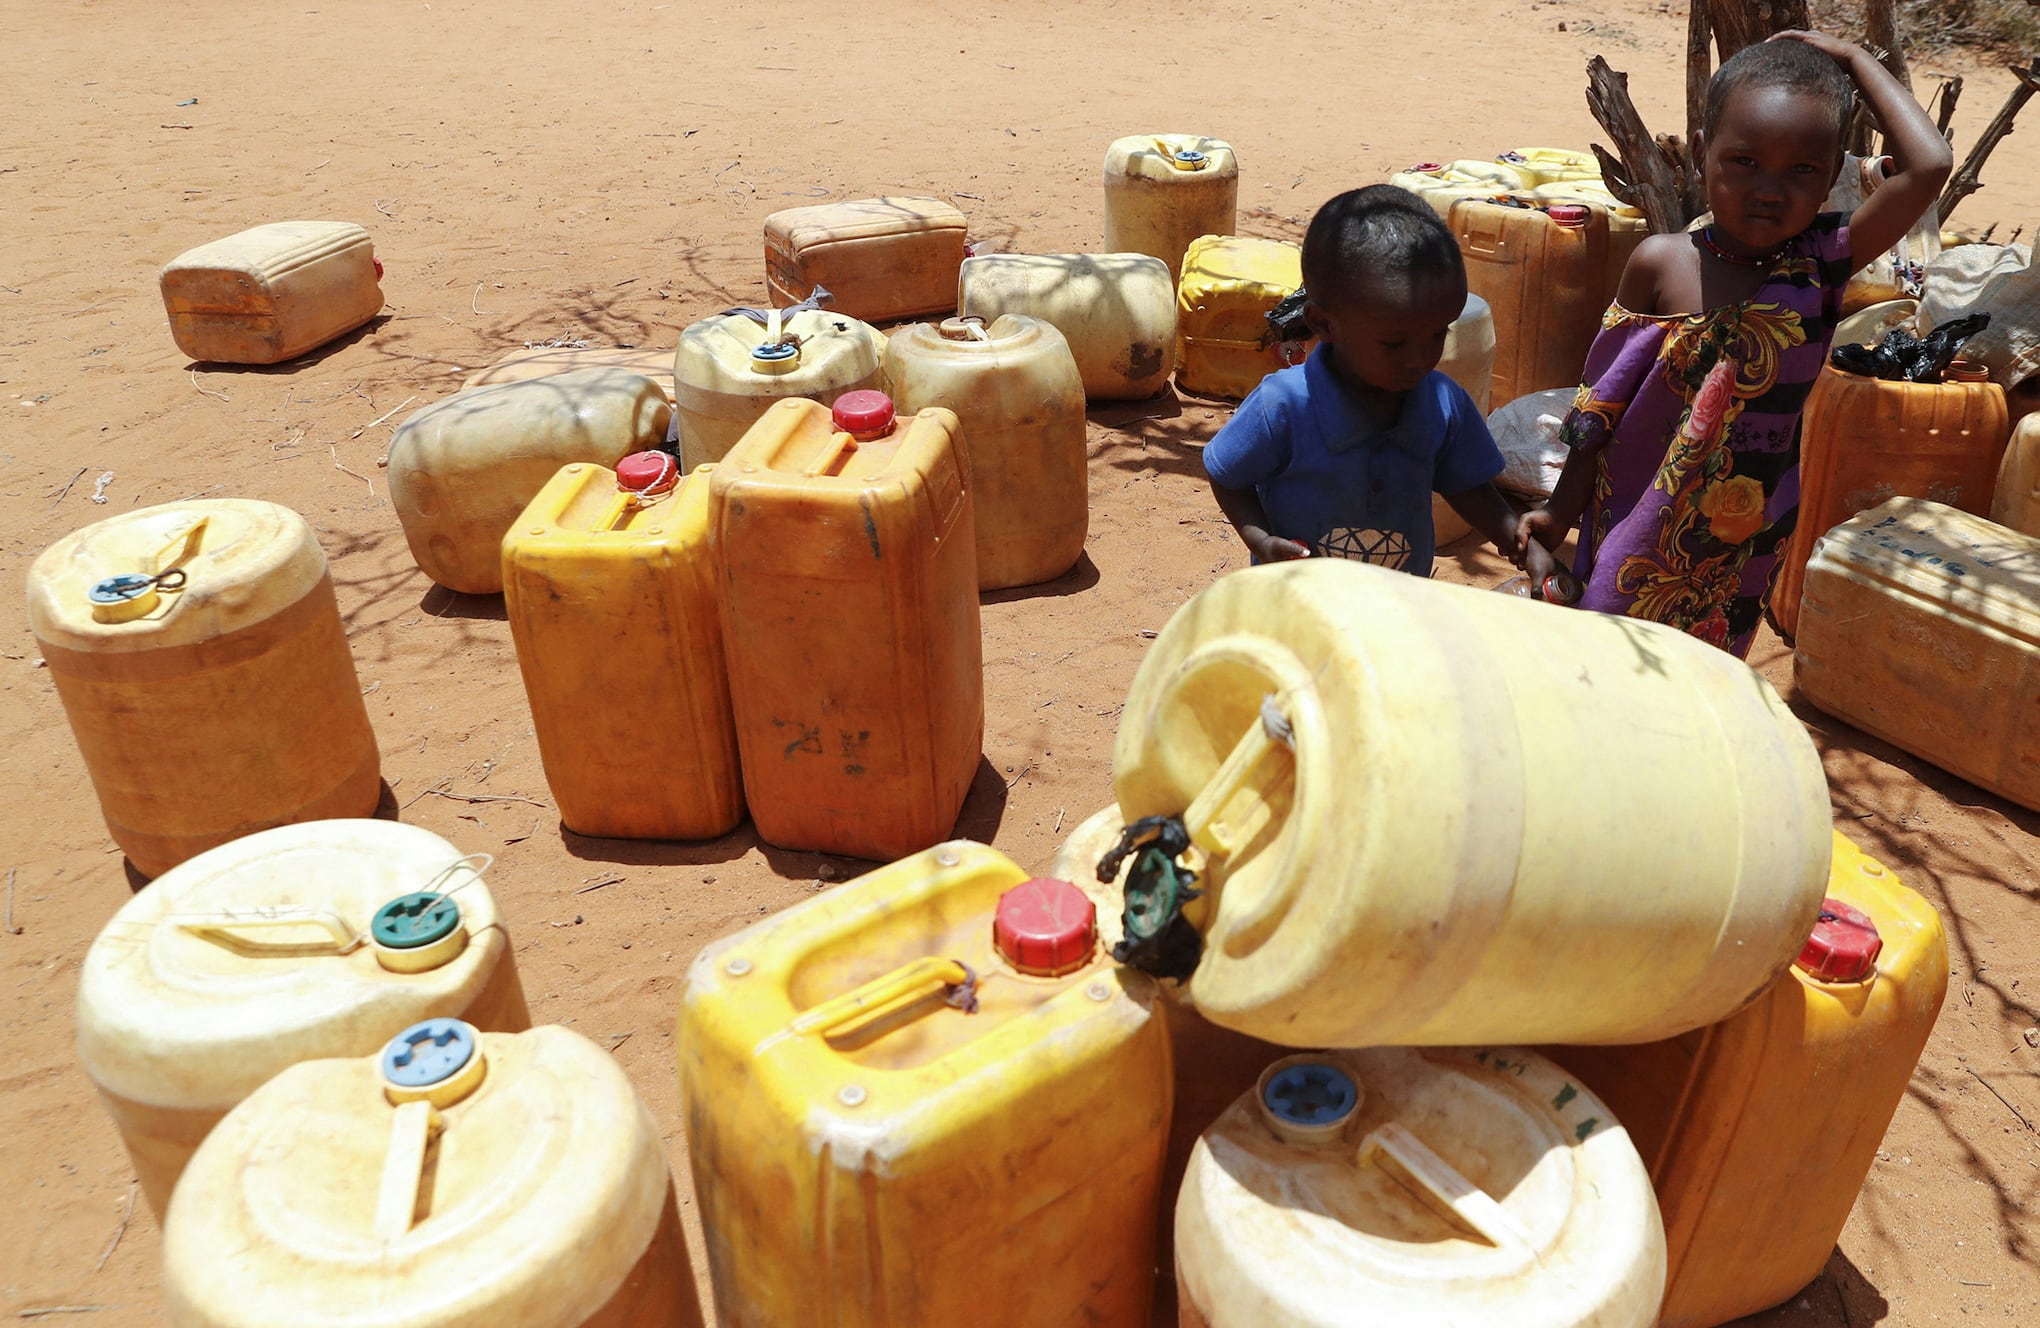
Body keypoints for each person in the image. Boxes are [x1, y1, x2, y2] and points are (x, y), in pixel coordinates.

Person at [1516, 30, 1953, 656]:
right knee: (1605, 654)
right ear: (1701, 153)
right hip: (1639, 514)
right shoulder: (1660, 264)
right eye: (1744, 161)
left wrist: (1854, 61)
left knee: (1705, 675)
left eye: (1801, 170)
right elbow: (1599, 406)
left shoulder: (1823, 264)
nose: (1768, 189)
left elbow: (1929, 164)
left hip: (1744, 532)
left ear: (1832, 175)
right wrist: (1560, 511)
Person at [1205, 185, 1554, 587]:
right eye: (1394, 344)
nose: (1422, 358)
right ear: (1322, 324)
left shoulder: (1442, 403)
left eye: (1438, 334)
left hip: (1395, 604)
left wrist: (1522, 544)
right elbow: (1227, 475)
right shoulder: (1282, 405)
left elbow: (1468, 488)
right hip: (1294, 602)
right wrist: (1260, 538)